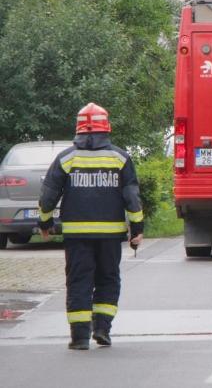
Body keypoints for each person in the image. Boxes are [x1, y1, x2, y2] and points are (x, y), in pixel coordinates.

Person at [38, 103, 144, 350]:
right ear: (106, 127)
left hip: (76, 235)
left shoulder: (66, 158)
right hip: (110, 235)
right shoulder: (119, 158)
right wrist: (137, 229)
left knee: (79, 281)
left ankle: (79, 337)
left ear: (78, 128)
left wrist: (45, 222)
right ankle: (103, 329)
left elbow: (48, 197)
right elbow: (132, 198)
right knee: (108, 279)